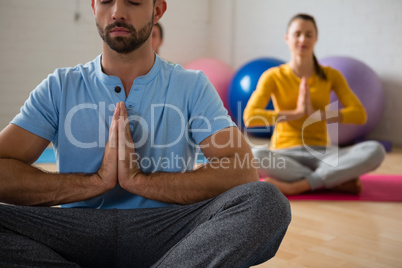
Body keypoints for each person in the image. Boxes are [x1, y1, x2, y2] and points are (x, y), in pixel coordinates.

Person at [0, 0, 291, 267]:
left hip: (167, 231)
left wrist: (141, 182)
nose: (117, 11)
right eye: (105, 1)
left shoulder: (191, 85)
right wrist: (95, 183)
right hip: (77, 230)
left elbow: (241, 171)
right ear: (93, 7)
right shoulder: (60, 86)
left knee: (266, 202)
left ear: (158, 10)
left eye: (133, 1)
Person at [243, 13, 385, 196]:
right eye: (297, 34)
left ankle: (298, 186)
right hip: (285, 154)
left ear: (316, 39)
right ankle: (332, 181)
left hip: (324, 154)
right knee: (254, 155)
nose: (303, 39)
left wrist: (317, 114)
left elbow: (360, 114)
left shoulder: (331, 75)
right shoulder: (273, 76)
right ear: (287, 38)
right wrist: (296, 112)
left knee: (375, 150)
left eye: (308, 34)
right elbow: (250, 118)